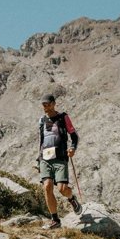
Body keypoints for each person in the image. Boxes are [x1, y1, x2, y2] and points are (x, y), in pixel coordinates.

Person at [37, 93, 81, 229]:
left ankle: (71, 198)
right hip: (45, 158)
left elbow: (74, 136)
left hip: (60, 158)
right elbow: (41, 141)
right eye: (43, 105)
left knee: (62, 189)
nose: (45, 107)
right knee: (47, 187)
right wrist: (38, 159)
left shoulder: (63, 117)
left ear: (54, 104)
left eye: (48, 104)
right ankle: (55, 220)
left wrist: (72, 148)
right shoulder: (42, 120)